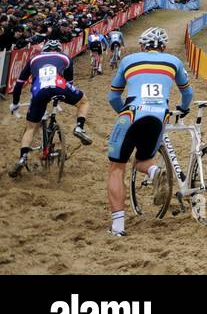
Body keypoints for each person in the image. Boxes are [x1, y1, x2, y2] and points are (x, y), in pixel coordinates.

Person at [105, 27, 193, 236]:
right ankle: (155, 172)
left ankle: (118, 227)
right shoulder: (174, 62)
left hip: (132, 114)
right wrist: (183, 108)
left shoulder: (129, 60)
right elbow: (187, 93)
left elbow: (113, 97)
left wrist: (122, 114)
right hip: (158, 115)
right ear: (163, 47)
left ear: (143, 46)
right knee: (144, 160)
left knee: (117, 168)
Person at [8, 39, 94, 178]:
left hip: (38, 89)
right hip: (59, 86)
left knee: (30, 128)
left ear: (44, 50)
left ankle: (23, 157)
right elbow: (69, 82)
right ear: (59, 50)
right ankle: (79, 127)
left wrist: (15, 103)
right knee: (83, 102)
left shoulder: (33, 59)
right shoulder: (65, 57)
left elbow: (19, 84)